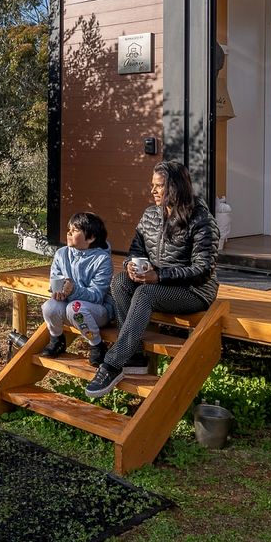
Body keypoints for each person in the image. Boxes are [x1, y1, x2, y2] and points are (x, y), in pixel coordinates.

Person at [85, 160, 220, 399]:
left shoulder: (201, 219)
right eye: (152, 185)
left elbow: (203, 270)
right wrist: (131, 266)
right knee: (120, 282)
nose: (153, 191)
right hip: (156, 282)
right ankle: (134, 355)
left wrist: (159, 276)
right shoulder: (150, 215)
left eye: (159, 186)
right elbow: (136, 250)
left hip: (194, 290)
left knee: (144, 293)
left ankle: (113, 363)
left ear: (175, 187)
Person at [39, 212, 113, 364]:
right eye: (69, 229)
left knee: (75, 308)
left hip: (97, 310)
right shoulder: (61, 254)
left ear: (90, 238)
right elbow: (55, 277)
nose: (69, 233)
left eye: (75, 230)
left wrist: (73, 290)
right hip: (68, 305)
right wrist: (57, 291)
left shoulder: (102, 260)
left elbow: (97, 295)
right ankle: (56, 339)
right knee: (49, 307)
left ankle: (97, 345)